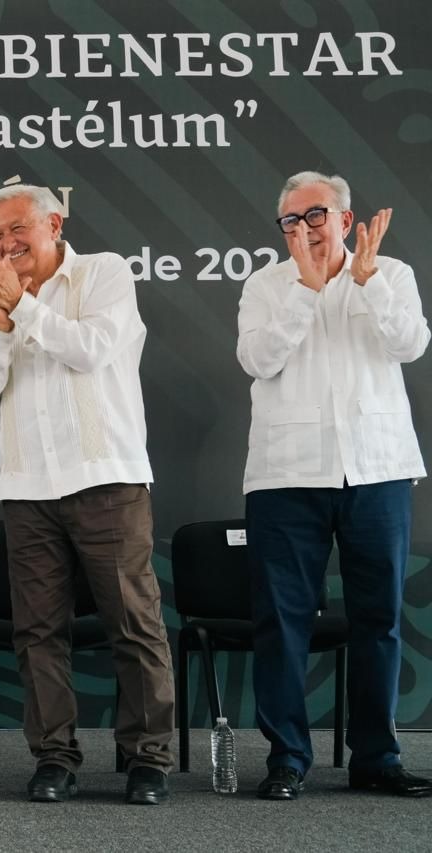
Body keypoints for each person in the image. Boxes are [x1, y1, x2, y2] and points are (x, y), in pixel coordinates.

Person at [0, 184, 174, 805]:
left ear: (54, 224)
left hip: (107, 479)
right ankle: (54, 757)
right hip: (27, 488)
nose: (6, 243)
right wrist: (0, 324)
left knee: (133, 623)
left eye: (17, 228)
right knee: (38, 633)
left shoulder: (104, 274)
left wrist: (21, 307)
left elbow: (91, 350)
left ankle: (148, 758)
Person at [238, 171, 431, 800]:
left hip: (376, 468)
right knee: (282, 620)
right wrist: (305, 288)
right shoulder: (266, 285)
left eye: (315, 215)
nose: (304, 229)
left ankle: (376, 758)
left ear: (345, 220)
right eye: (291, 221)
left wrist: (368, 284)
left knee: (379, 618)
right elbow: (258, 360)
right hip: (286, 474)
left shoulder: (390, 273)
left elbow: (410, 344)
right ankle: (287, 758)